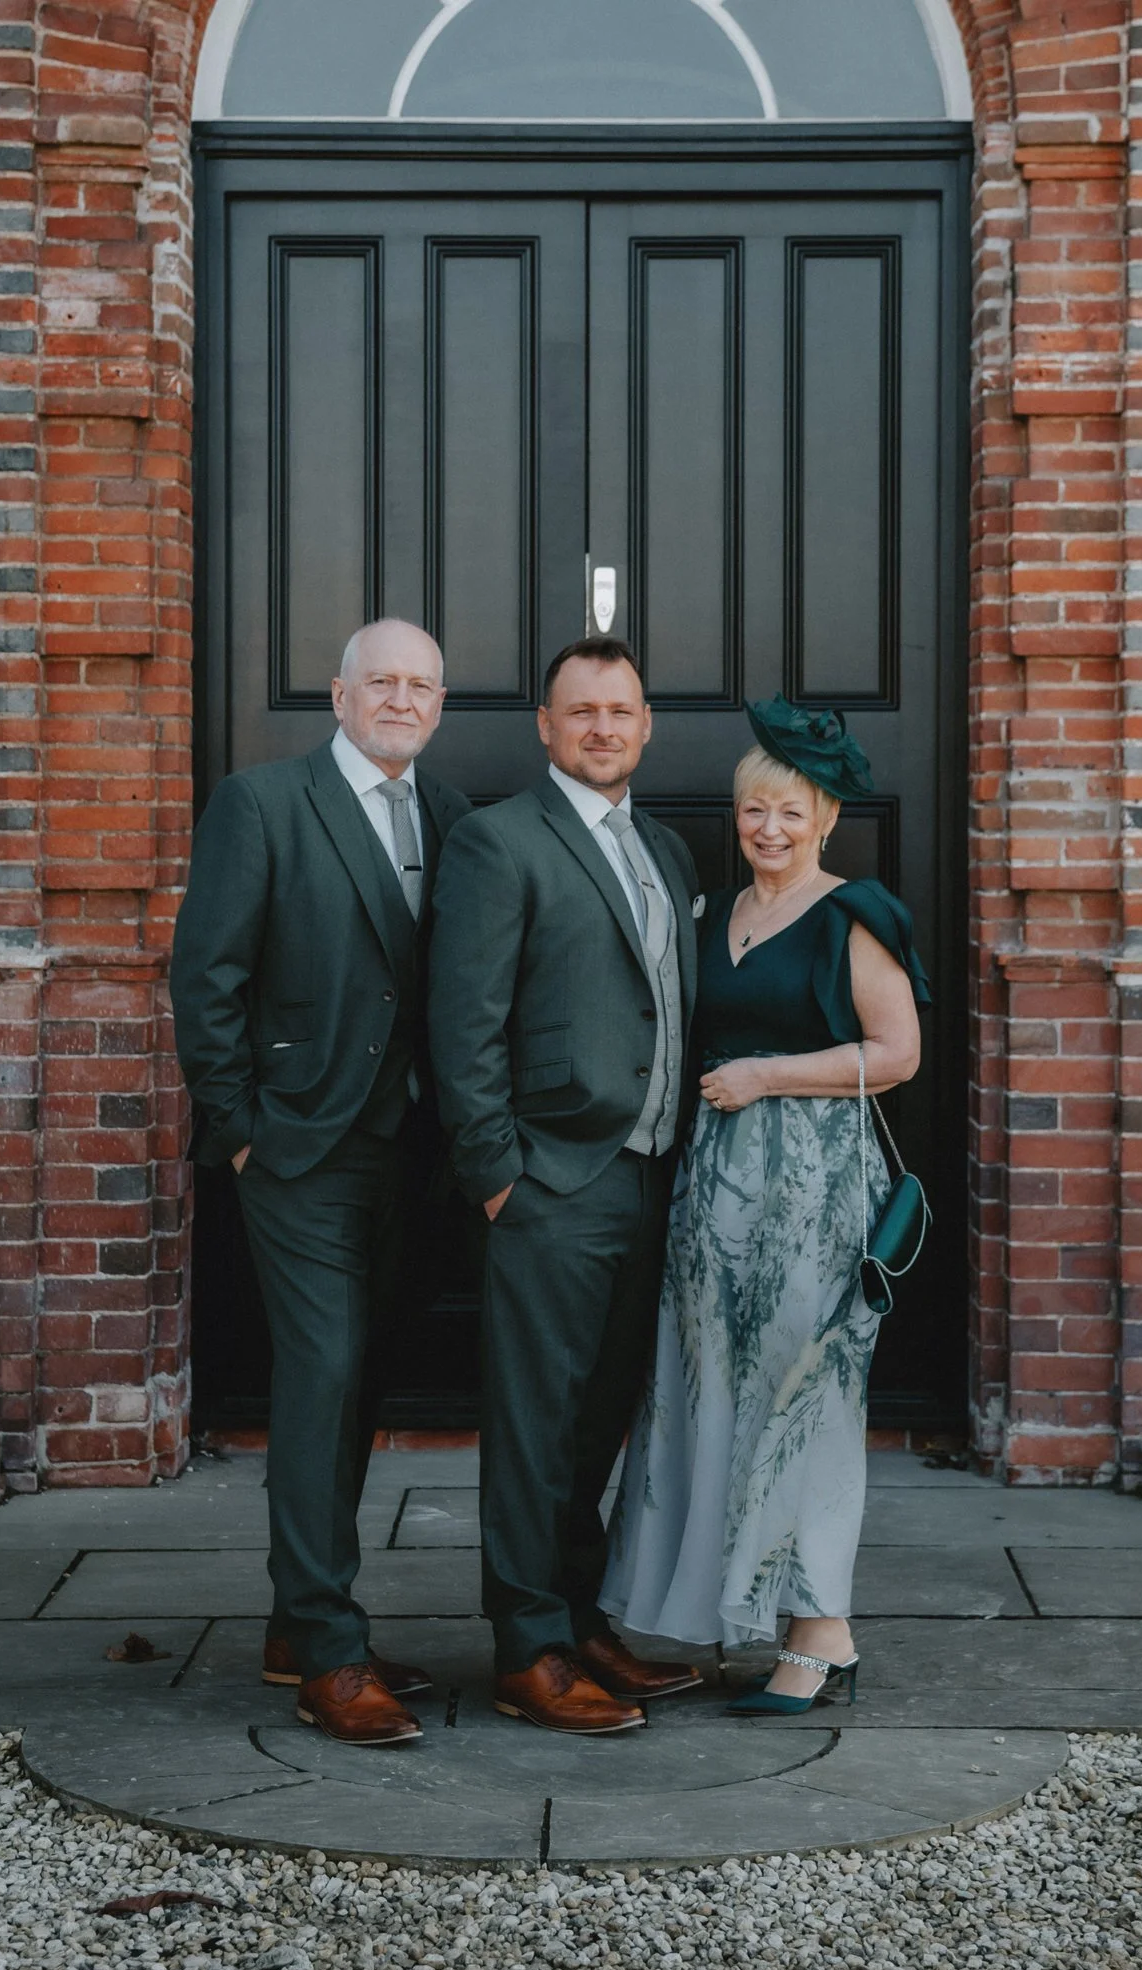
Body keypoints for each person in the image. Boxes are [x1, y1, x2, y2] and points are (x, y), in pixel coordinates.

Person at [170, 619, 470, 1747]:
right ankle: (329, 1654)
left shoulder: (447, 815)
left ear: (439, 703)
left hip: (408, 1146)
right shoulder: (263, 803)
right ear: (338, 695)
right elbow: (205, 973)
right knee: (323, 1368)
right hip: (296, 1144)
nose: (401, 698)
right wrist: (238, 1126)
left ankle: (301, 1622)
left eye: (420, 684)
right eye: (381, 680)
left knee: (362, 1376)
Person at [600, 698, 930, 1716]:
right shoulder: (717, 913)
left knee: (805, 1398)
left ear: (825, 815)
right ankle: (725, 1606)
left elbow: (899, 1053)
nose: (770, 830)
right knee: (708, 1392)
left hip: (815, 1192)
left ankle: (820, 1630)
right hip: (715, 1192)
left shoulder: (852, 913)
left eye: (790, 811)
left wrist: (767, 1075)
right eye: (754, 811)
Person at [428, 637, 705, 1734]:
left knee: (599, 1420)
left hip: (647, 1178)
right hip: (549, 1179)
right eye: (580, 709)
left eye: (621, 710)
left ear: (645, 726)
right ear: (545, 726)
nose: (602, 726)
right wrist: (498, 1172)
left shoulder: (667, 852)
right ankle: (527, 1644)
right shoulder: (501, 841)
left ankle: (581, 1616)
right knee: (536, 1422)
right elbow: (463, 1020)